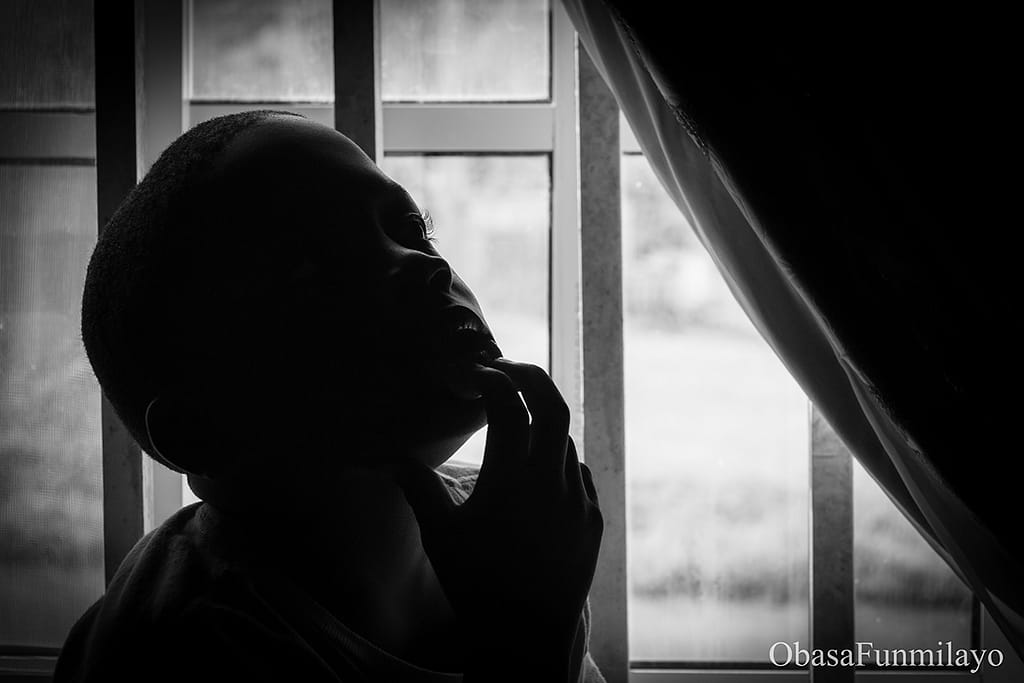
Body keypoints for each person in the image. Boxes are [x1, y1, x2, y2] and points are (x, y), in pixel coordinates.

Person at [54, 111, 605, 682]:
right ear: (205, 429)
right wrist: (526, 644)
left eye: (414, 230)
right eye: (315, 269)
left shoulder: (515, 530)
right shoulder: (178, 648)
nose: (427, 265)